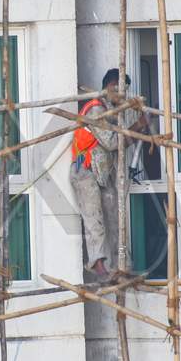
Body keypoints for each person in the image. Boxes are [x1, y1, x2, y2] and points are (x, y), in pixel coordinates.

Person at [70, 69, 159, 283]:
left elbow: (122, 137)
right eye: (117, 89)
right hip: (86, 172)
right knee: (94, 220)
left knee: (114, 218)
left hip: (103, 173)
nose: (121, 94)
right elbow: (111, 142)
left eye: (124, 90)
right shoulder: (95, 110)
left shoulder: (113, 110)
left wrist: (140, 126)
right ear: (108, 87)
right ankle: (99, 267)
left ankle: (120, 267)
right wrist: (138, 126)